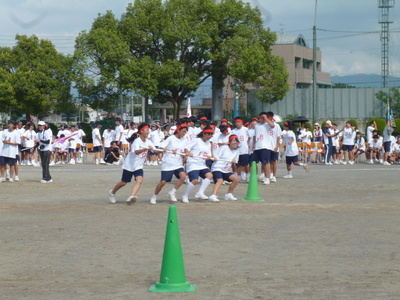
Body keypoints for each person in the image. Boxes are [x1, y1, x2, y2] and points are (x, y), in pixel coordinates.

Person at [109, 123, 154, 204]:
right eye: (147, 130)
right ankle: (112, 192)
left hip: (138, 166)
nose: (148, 132)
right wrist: (146, 148)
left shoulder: (148, 141)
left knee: (139, 180)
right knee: (123, 182)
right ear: (142, 131)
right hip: (129, 165)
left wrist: (164, 150)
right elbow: (136, 152)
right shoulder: (137, 141)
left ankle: (131, 196)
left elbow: (155, 149)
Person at [150, 123, 188, 204]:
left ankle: (172, 192)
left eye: (185, 132)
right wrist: (166, 150)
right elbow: (161, 147)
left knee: (183, 176)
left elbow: (185, 149)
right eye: (183, 131)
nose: (184, 133)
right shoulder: (171, 138)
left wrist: (185, 154)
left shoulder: (184, 140)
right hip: (168, 163)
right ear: (178, 130)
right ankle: (154, 196)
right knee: (163, 182)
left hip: (178, 163)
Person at [181, 126, 214, 203]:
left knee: (209, 175)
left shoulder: (208, 143)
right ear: (203, 133)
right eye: (208, 134)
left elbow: (208, 153)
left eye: (211, 134)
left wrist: (209, 156)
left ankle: (200, 192)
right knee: (195, 180)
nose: (209, 136)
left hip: (201, 164)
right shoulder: (196, 140)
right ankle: (185, 196)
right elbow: (187, 147)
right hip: (192, 163)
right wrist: (187, 153)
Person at [209, 134, 240, 202]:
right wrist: (215, 158)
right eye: (233, 141)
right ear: (229, 142)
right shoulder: (224, 147)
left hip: (225, 170)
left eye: (236, 141)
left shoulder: (237, 151)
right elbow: (217, 156)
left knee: (236, 179)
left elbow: (235, 161)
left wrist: (233, 162)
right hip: (217, 168)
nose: (235, 143)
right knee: (220, 180)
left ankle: (229, 194)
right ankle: (213, 195)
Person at [252, 111, 275, 184]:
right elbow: (255, 136)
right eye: (261, 118)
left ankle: (267, 178)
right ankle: (254, 176)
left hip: (265, 146)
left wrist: (266, 118)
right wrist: (253, 144)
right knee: (253, 162)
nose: (262, 119)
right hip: (257, 146)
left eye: (263, 118)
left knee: (265, 162)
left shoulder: (267, 124)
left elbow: (272, 125)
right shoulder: (257, 125)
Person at [232, 116, 251, 182]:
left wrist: (247, 144)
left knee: (245, 164)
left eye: (239, 122)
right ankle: (239, 176)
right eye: (236, 122)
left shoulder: (245, 129)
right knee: (238, 165)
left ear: (242, 123)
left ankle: (248, 176)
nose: (237, 123)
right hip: (237, 150)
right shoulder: (233, 130)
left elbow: (249, 137)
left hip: (244, 149)